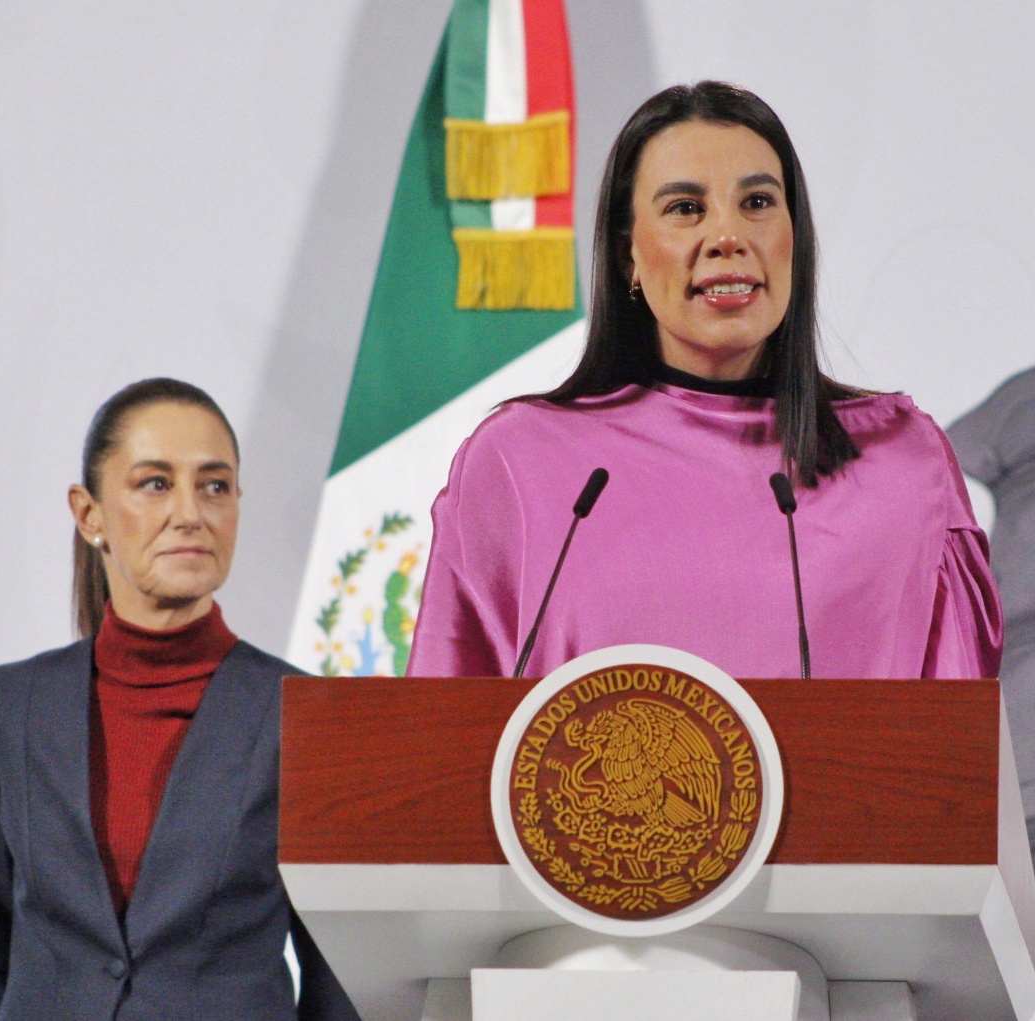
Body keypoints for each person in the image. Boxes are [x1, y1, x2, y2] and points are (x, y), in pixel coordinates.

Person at [407, 81, 1002, 681]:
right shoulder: (519, 462)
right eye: (685, 208)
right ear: (628, 255)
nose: (727, 238)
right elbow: (440, 724)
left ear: (795, 239)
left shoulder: (903, 465)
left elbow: (957, 733)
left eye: (758, 202)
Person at [0, 378, 356, 1021]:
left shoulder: (312, 717)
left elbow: (341, 979)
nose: (190, 513)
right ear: (89, 514)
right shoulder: (7, 706)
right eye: (156, 483)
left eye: (214, 486)